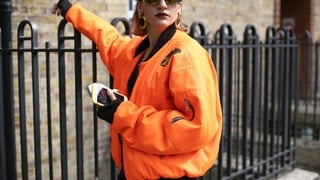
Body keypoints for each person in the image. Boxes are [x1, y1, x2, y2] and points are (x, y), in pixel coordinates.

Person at [51, 0, 222, 179]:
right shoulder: (135, 51)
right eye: (153, 0)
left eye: (171, 0)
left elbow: (196, 127)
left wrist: (122, 114)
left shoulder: (187, 55)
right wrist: (71, 11)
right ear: (140, 6)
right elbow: (108, 38)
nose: (163, 5)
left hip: (169, 176)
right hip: (132, 171)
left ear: (179, 7)